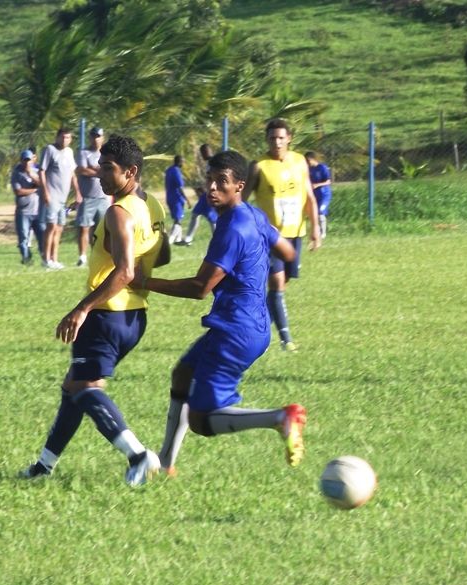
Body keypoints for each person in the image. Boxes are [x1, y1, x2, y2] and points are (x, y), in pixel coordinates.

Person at [131, 150, 307, 474]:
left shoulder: (233, 229)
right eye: (209, 180)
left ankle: (280, 418)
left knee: (201, 420)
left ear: (239, 185)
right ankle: (167, 461)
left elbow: (200, 288)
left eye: (221, 182)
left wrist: (145, 282)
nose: (212, 188)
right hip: (249, 325)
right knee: (182, 373)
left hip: (235, 332)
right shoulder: (252, 215)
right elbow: (285, 249)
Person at [20, 134, 162, 485]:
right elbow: (159, 255)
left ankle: (138, 455)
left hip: (105, 315)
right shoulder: (151, 205)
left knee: (86, 389)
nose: (99, 173)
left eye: (108, 168)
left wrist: (82, 309)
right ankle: (44, 466)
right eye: (100, 165)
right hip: (135, 315)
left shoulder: (118, 212)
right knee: (74, 387)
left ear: (130, 172)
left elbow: (126, 270)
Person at [242, 118, 321, 352]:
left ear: (289, 138)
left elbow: (309, 197)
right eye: (271, 138)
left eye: (280, 137)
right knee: (276, 283)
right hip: (270, 237)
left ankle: (253, 331)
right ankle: (286, 339)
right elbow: (242, 201)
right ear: (266, 140)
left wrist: (315, 228)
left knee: (280, 287)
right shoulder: (259, 166)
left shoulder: (299, 162)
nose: (276, 142)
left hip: (295, 234)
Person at [38, 127, 82, 269]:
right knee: (51, 226)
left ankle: (54, 259)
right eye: (62, 137)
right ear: (57, 137)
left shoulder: (69, 152)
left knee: (59, 228)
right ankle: (46, 258)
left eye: (68, 137)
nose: (65, 140)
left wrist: (78, 193)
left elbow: (72, 174)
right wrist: (45, 192)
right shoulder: (49, 150)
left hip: (63, 198)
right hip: (52, 195)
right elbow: (42, 171)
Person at [74, 127, 110, 267]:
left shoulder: (106, 154)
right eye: (93, 136)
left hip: (103, 197)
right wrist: (100, 172)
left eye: (98, 136)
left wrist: (94, 170)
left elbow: (109, 169)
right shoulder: (84, 153)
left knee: (102, 230)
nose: (96, 139)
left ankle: (100, 255)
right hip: (87, 197)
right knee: (84, 227)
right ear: (90, 138)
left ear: (102, 138)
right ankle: (82, 256)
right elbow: (82, 169)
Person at [11, 148, 45, 265]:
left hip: (38, 211)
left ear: (33, 160)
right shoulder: (17, 173)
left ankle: (45, 258)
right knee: (23, 239)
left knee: (42, 237)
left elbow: (44, 185)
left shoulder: (37, 171)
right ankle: (26, 259)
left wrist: (32, 175)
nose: (26, 163)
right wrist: (35, 189)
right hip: (23, 212)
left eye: (29, 160)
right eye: (24, 160)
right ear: (21, 161)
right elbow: (18, 191)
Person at [177, 143, 216, 246]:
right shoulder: (209, 162)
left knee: (212, 218)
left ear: (209, 151)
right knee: (195, 215)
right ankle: (188, 239)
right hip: (206, 194)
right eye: (201, 153)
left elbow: (214, 179)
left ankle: (218, 240)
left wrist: (207, 190)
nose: (202, 155)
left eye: (203, 152)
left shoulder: (214, 162)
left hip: (211, 193)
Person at [305, 151, 331, 241]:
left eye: (308, 160)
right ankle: (316, 231)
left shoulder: (322, 167)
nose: (307, 163)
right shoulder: (309, 170)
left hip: (324, 195)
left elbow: (328, 181)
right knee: (313, 213)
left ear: (313, 159)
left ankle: (323, 233)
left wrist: (317, 185)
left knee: (320, 212)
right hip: (314, 195)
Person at [164, 155, 189, 243]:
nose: (183, 163)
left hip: (169, 197)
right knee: (178, 220)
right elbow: (180, 187)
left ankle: (178, 239)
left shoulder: (169, 170)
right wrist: (187, 199)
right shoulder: (176, 171)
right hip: (177, 199)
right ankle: (170, 241)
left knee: (177, 218)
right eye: (182, 161)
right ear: (179, 162)